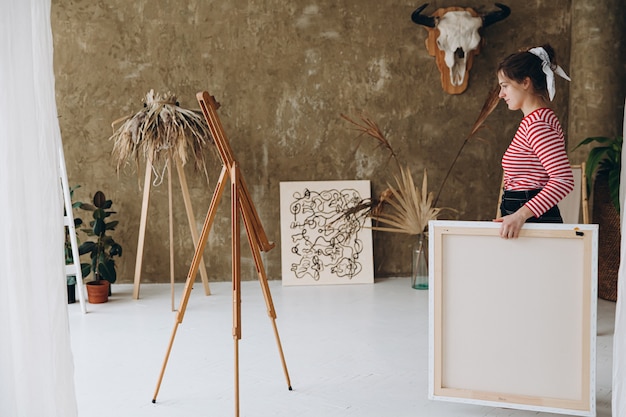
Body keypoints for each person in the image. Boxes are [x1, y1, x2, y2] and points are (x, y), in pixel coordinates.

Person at [494, 44, 574, 239]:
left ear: (525, 82)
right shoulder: (536, 120)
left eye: (505, 86)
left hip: (532, 222)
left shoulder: (538, 124)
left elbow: (563, 180)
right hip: (525, 220)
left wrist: (520, 215)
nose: (500, 94)